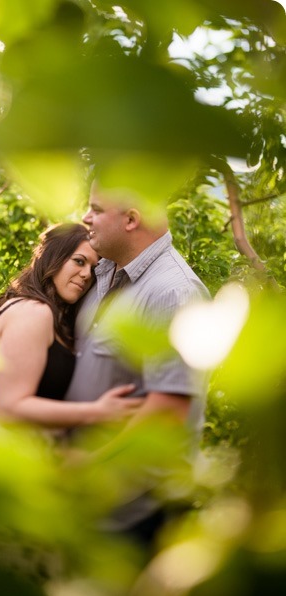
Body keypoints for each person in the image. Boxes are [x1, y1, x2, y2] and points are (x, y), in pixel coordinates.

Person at [65, 182, 210, 541]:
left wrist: (85, 466)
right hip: (87, 508)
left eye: (96, 209)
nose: (86, 217)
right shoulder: (101, 272)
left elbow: (169, 412)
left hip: (136, 516)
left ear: (131, 219)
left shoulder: (176, 293)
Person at [0, 222, 141, 427]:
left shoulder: (50, 315)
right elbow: (10, 408)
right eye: (79, 261)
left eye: (92, 268)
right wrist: (97, 412)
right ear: (52, 257)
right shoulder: (33, 313)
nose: (86, 275)